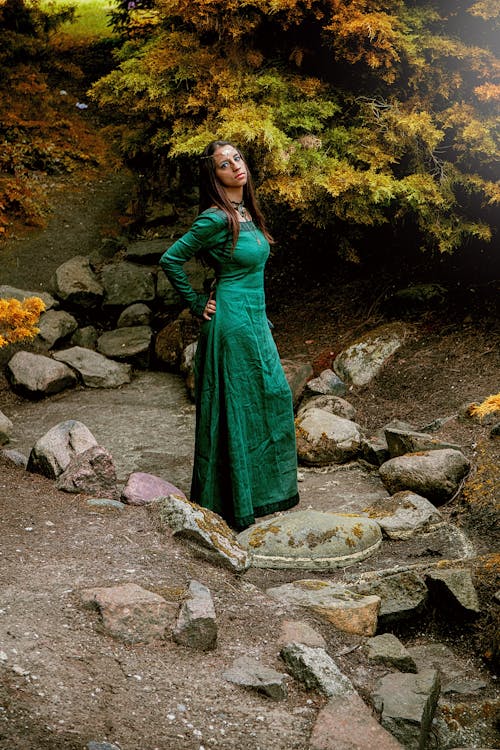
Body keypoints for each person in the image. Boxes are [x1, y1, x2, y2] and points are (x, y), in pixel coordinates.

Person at [160, 140, 299, 531]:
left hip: (254, 318)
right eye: (225, 163)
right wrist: (195, 302)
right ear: (213, 175)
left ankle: (261, 495)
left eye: (237, 158)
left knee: (272, 396)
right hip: (230, 322)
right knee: (237, 406)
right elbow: (171, 258)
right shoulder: (215, 219)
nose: (236, 166)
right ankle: (234, 504)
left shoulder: (246, 212)